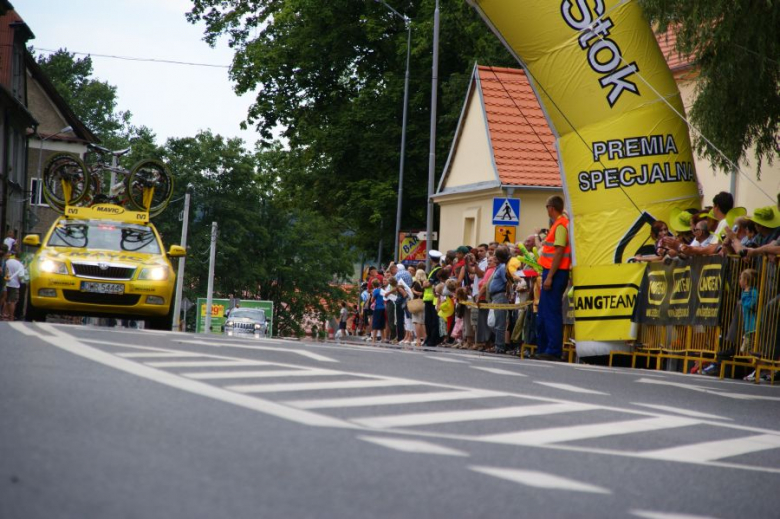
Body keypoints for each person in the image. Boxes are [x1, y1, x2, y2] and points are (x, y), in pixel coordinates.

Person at [535, 195, 571, 361]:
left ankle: (553, 350)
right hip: (553, 272)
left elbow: (559, 252)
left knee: (551, 312)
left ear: (551, 207)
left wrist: (549, 277)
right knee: (544, 312)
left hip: (555, 273)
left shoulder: (561, 225)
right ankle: (544, 348)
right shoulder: (559, 224)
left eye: (546, 207)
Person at [488, 245, 511, 353]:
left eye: (496, 255)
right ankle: (498, 344)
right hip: (495, 296)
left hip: (500, 296)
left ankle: (500, 346)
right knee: (493, 322)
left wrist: (508, 293)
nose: (493, 257)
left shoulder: (502, 268)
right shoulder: (498, 267)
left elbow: (507, 281)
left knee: (499, 322)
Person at [422, 250, 443, 346]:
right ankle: (429, 338)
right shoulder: (434, 269)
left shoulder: (437, 270)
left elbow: (428, 284)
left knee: (432, 321)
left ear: (431, 259)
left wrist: (425, 283)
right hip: (430, 299)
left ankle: (432, 340)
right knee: (428, 321)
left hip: (433, 299)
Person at [3, 251, 25, 321]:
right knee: (12, 301)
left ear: (15, 256)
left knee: (5, 299)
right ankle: (11, 316)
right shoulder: (20, 265)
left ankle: (4, 314)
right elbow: (21, 276)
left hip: (5, 282)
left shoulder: (8, 261)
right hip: (14, 285)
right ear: (20, 258)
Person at [411, 269, 427, 347]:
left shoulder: (415, 283)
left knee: (417, 321)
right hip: (424, 302)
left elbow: (412, 291)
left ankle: (418, 338)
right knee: (423, 322)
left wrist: (414, 292)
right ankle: (425, 338)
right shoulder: (426, 283)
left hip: (416, 303)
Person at [369, 279, 386, 344]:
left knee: (375, 324)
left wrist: (372, 295)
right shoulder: (382, 290)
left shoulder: (375, 291)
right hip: (383, 307)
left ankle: (374, 339)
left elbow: (372, 300)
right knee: (382, 324)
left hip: (377, 308)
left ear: (373, 285)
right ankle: (383, 338)